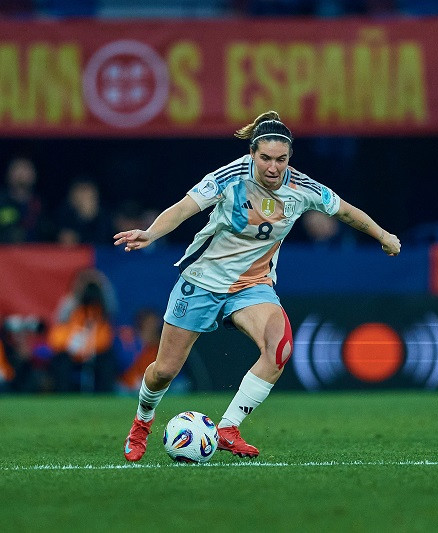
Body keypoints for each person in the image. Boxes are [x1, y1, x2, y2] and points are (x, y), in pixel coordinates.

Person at [115, 110, 401, 462]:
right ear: (252, 153)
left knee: (280, 348)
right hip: (202, 281)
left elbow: (345, 211)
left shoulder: (302, 188)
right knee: (164, 371)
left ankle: (228, 427)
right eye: (265, 158)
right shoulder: (229, 177)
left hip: (253, 286)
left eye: (281, 159)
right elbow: (183, 208)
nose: (273, 167)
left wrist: (383, 235)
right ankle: (142, 422)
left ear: (290, 158)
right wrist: (150, 234)